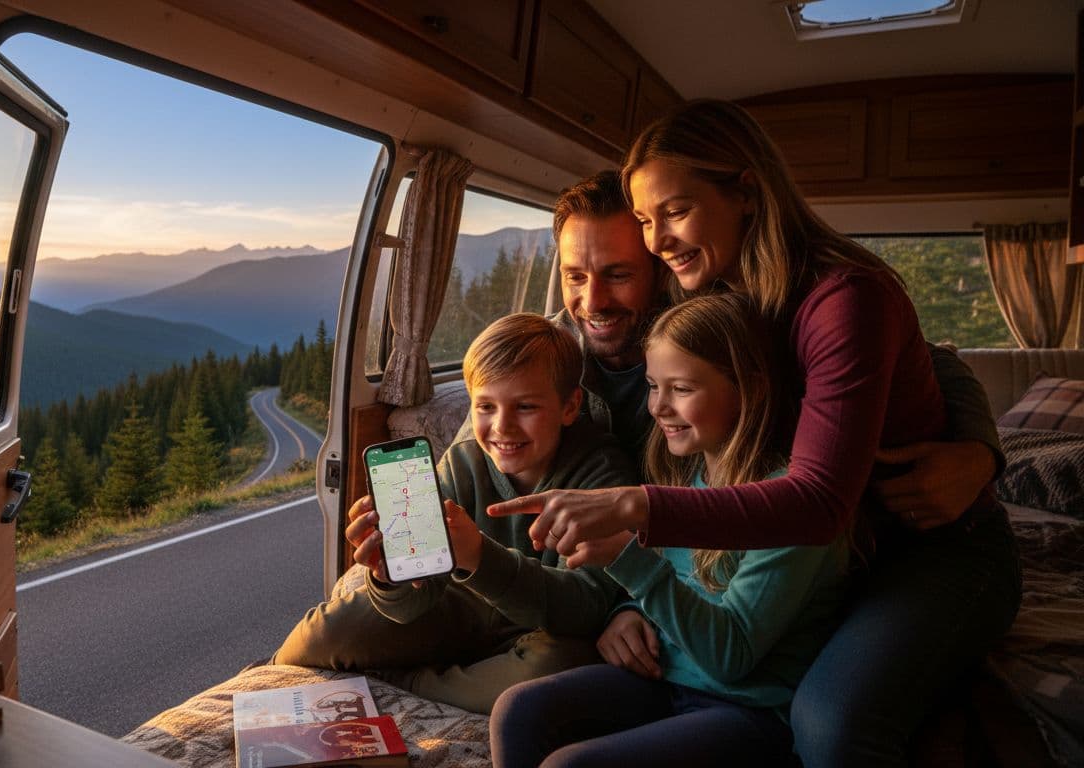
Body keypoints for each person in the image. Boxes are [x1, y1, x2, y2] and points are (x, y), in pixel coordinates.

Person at [491, 100, 1021, 766]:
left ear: (746, 192)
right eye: (647, 221)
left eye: (674, 213)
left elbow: (912, 390)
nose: (656, 242)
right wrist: (624, 605)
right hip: (811, 556)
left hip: (926, 545)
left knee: (829, 726)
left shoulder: (839, 297)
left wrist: (981, 452)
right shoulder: (670, 307)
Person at [492, 292, 849, 767]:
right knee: (517, 709)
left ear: (749, 388)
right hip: (669, 681)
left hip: (748, 712)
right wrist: (626, 609)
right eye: (653, 386)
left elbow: (730, 655)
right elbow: (670, 591)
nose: (658, 408)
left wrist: (626, 559)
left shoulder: (789, 504)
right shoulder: (686, 480)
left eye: (680, 389)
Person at [270, 313, 637, 714]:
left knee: (552, 673)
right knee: (323, 633)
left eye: (526, 406)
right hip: (462, 612)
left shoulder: (602, 475)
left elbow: (585, 607)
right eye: (485, 406)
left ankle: (405, 682)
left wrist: (480, 556)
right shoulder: (464, 462)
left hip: (542, 630)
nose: (502, 426)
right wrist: (389, 578)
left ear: (570, 406)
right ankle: (268, 683)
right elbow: (415, 602)